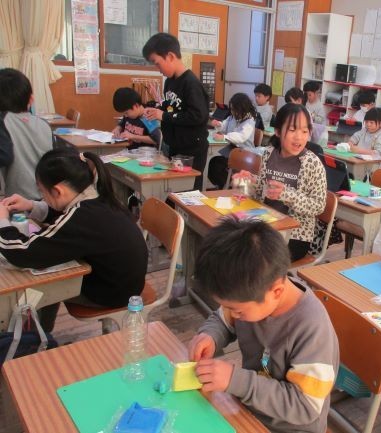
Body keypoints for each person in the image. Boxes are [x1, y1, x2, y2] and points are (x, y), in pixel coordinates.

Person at [189, 217, 339, 433]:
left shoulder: (312, 328)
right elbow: (223, 319)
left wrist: (235, 380)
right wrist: (210, 336)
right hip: (250, 409)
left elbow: (305, 406)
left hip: (290, 428)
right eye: (228, 307)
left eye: (237, 310)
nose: (233, 314)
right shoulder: (252, 294)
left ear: (276, 291)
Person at [0, 148, 148, 331]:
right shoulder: (96, 196)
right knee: (49, 266)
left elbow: (22, 252)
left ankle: (38, 337)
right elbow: (62, 213)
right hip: (125, 283)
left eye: (42, 191)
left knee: (38, 286)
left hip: (111, 293)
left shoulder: (82, 217)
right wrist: (30, 205)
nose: (42, 196)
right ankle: (41, 332)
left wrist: (2, 221)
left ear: (58, 191)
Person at [235, 104, 327, 261]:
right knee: (229, 237)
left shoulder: (312, 163)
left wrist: (286, 194)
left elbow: (318, 206)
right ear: (278, 131)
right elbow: (262, 190)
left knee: (248, 253)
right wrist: (249, 181)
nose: (299, 137)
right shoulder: (269, 153)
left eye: (304, 131)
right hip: (265, 223)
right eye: (292, 130)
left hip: (295, 235)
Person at [142, 32, 209, 190]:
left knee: (188, 193)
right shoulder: (169, 82)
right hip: (175, 146)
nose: (158, 69)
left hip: (192, 149)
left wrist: (164, 115)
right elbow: (171, 107)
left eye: (157, 63)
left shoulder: (191, 83)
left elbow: (198, 116)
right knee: (174, 191)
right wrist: (157, 110)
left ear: (170, 56)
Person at [0, 68, 53, 200]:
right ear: (31, 99)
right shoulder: (43, 124)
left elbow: (4, 157)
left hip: (15, 202)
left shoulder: (2, 121)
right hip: (47, 200)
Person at [207, 92, 258, 189]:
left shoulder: (249, 121)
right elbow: (225, 126)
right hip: (232, 149)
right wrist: (219, 124)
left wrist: (224, 137)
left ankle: (228, 185)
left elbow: (241, 137)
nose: (232, 112)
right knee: (213, 162)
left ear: (241, 109)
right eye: (231, 109)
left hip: (244, 152)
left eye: (234, 109)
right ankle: (225, 184)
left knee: (217, 164)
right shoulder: (233, 117)